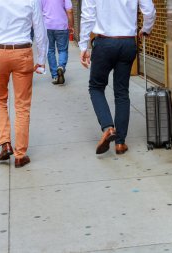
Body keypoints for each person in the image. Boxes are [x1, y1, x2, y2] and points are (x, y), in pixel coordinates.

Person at [0, 0, 48, 168]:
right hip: (23, 51)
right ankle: (20, 155)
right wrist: (42, 59)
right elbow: (40, 30)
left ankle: (5, 143)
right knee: (22, 105)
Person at [79, 0, 156, 155]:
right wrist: (146, 29)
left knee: (96, 87)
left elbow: (87, 15)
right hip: (127, 42)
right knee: (122, 92)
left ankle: (108, 128)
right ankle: (120, 143)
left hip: (104, 43)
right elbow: (149, 11)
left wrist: (83, 45)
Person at [41, 0, 74, 85]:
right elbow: (69, 10)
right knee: (62, 50)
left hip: (47, 26)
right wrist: (71, 25)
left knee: (50, 50)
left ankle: (55, 76)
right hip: (61, 25)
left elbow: (38, 11)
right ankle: (61, 67)